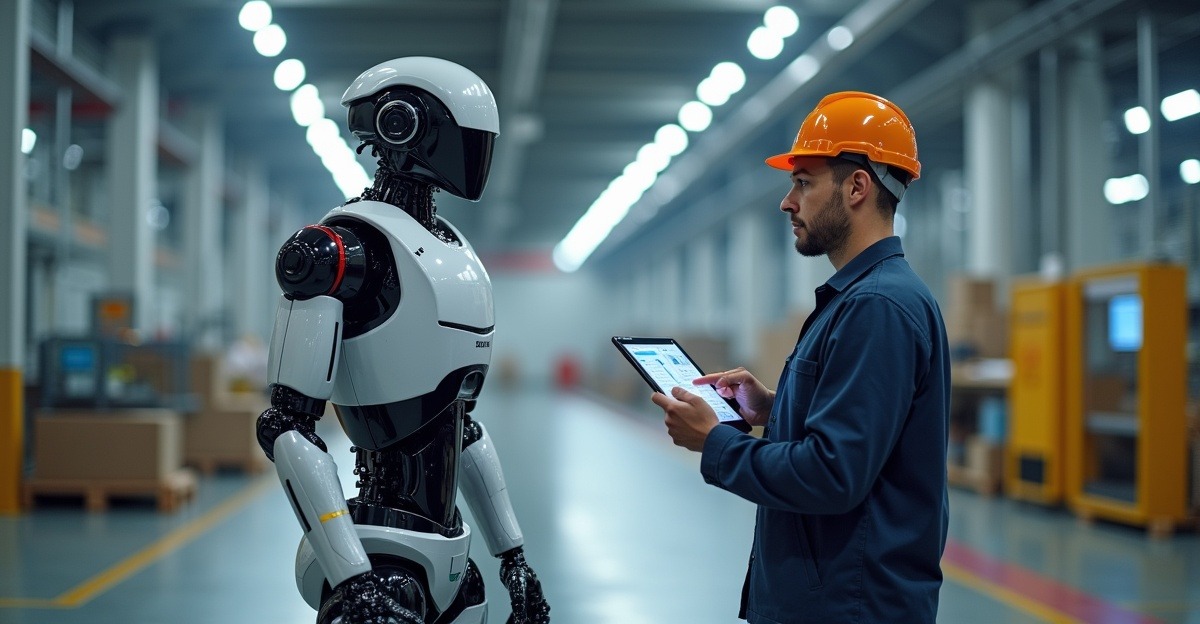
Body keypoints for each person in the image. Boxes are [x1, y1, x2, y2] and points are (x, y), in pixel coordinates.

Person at [650, 91, 949, 623]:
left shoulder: (877, 307)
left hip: (849, 606)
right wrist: (771, 407)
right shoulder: (860, 299)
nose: (787, 202)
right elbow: (856, 435)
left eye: (804, 182)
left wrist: (715, 443)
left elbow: (834, 474)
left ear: (857, 186)